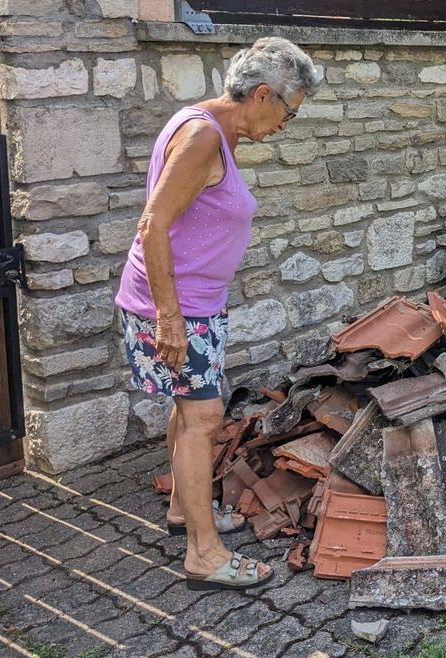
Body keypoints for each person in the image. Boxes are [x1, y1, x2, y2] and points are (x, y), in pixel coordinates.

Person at [115, 37, 324, 591]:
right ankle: (203, 555)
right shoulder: (204, 135)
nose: (287, 125)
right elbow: (152, 225)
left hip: (193, 306)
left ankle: (187, 513)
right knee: (204, 420)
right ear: (262, 95)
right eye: (290, 111)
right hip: (177, 308)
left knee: (188, 412)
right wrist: (169, 318)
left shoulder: (209, 128)